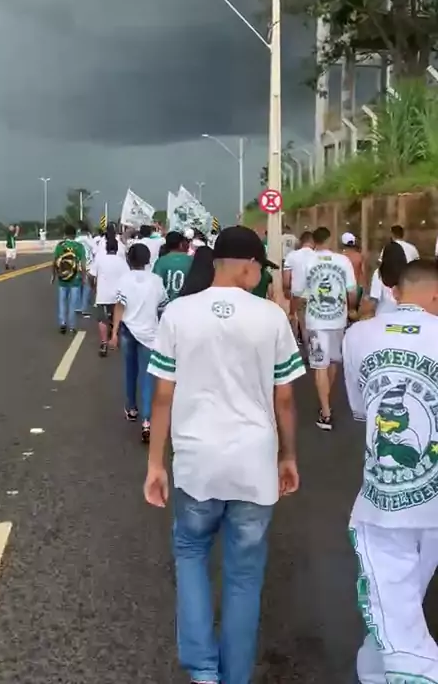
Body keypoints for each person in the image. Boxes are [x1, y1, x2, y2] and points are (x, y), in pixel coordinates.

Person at [144, 225, 305, 684]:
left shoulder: (178, 313)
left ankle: (203, 669)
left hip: (197, 462)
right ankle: (235, 676)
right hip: (254, 462)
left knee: (191, 553)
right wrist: (288, 456)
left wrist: (155, 464)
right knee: (244, 577)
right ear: (249, 266)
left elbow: (163, 395)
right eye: (260, 269)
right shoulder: (271, 317)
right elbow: (285, 399)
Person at [342, 260, 438, 684]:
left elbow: (362, 408)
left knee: (395, 612)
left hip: (384, 501)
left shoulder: (359, 335)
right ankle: (375, 673)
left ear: (397, 292)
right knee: (399, 608)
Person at [295, 226, 357, 431]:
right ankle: (326, 400)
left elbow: (298, 293)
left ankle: (325, 411)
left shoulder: (307, 262)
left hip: (315, 321)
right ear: (330, 240)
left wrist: (296, 311)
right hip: (338, 320)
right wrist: (351, 309)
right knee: (332, 362)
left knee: (319, 365)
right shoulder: (343, 261)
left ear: (314, 241)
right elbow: (352, 291)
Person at [110, 243, 168, 442]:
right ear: (147, 259)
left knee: (130, 371)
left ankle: (131, 408)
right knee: (147, 376)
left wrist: (114, 332)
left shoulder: (124, 279)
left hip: (128, 330)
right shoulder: (156, 281)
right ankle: (147, 420)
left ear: (129, 259)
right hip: (150, 334)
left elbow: (120, 306)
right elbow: (163, 307)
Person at [89, 232, 128, 357]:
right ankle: (115, 338)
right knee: (118, 318)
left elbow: (91, 275)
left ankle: (104, 343)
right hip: (118, 296)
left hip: (103, 294)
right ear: (116, 248)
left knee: (102, 320)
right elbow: (128, 277)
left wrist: (93, 287)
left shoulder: (100, 259)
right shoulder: (122, 262)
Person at [52, 224, 86, 334]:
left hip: (62, 279)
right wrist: (84, 277)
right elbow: (83, 264)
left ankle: (62, 322)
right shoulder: (79, 247)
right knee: (73, 304)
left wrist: (53, 275)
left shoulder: (60, 246)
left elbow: (54, 261)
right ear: (75, 235)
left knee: (62, 301)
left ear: (65, 234)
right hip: (75, 279)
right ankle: (72, 326)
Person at [283, 230, 315, 343]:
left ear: (301, 242)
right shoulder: (317, 256)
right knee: (312, 326)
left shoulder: (292, 256)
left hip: (297, 296)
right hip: (314, 296)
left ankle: (298, 346)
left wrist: (286, 290)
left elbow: (286, 279)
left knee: (298, 322)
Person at [361, 241, 408, 318]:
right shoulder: (407, 273)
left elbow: (374, 299)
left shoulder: (379, 273)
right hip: (402, 317)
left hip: (383, 317)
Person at [153, 231, 193, 301]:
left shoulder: (160, 261)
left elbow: (155, 284)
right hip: (186, 302)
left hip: (166, 303)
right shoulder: (191, 260)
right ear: (181, 244)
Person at [75, 221, 95, 318]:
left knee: (78, 287)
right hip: (88, 266)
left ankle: (77, 306)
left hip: (77, 265)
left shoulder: (76, 240)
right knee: (87, 288)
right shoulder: (89, 240)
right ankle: (84, 308)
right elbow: (95, 251)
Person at [341, 232, 365, 311]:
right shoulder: (359, 256)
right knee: (354, 311)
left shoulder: (340, 257)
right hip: (356, 288)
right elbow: (363, 274)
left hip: (343, 288)